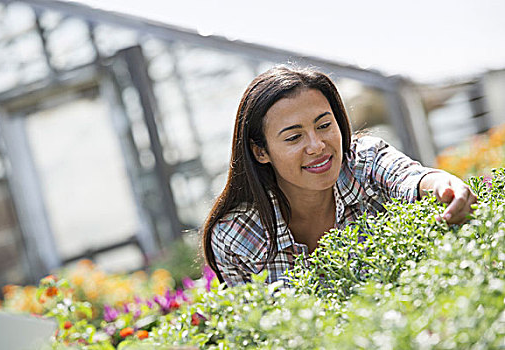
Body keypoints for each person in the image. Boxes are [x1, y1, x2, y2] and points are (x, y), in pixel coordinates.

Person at [202, 66, 477, 287]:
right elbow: (257, 330)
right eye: (294, 137)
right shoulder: (235, 236)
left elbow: (408, 177)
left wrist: (443, 185)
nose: (317, 145)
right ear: (261, 151)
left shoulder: (363, 162)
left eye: (324, 125)